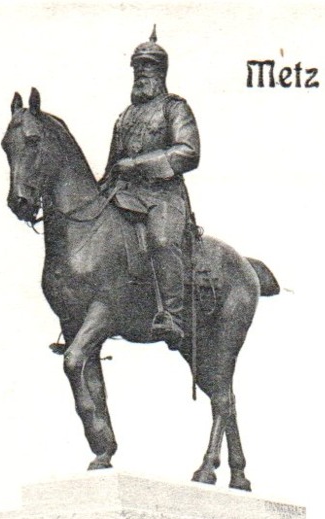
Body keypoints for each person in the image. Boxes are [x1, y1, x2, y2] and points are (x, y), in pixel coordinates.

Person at [101, 27, 199, 350]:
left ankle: (173, 315)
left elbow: (188, 152)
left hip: (163, 196)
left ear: (161, 71)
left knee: (160, 238)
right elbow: (112, 166)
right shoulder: (124, 117)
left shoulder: (175, 108)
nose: (142, 73)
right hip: (125, 195)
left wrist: (139, 165)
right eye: (138, 68)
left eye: (149, 67)